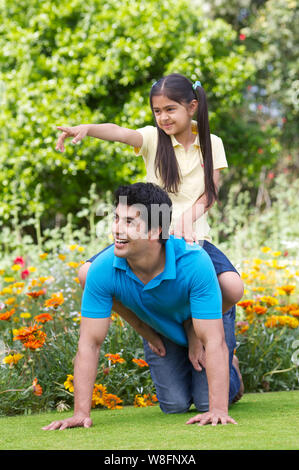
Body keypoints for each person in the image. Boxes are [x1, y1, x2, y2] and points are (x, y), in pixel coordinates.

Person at [43, 183, 242, 431]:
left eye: (129, 222)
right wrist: (80, 413)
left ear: (155, 230)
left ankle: (232, 370)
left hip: (204, 316)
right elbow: (89, 343)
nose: (117, 229)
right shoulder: (103, 269)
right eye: (116, 218)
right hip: (161, 321)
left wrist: (218, 410)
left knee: (206, 402)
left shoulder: (195, 262)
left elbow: (213, 341)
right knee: (175, 405)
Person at [55, 73, 244, 314]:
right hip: (150, 237)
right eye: (157, 111)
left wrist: (186, 219)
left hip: (192, 237)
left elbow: (210, 193)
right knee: (86, 273)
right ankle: (145, 325)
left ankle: (194, 328)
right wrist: (88, 129)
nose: (163, 117)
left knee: (233, 287)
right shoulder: (152, 138)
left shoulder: (212, 143)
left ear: (192, 107)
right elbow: (119, 132)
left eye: (170, 109)